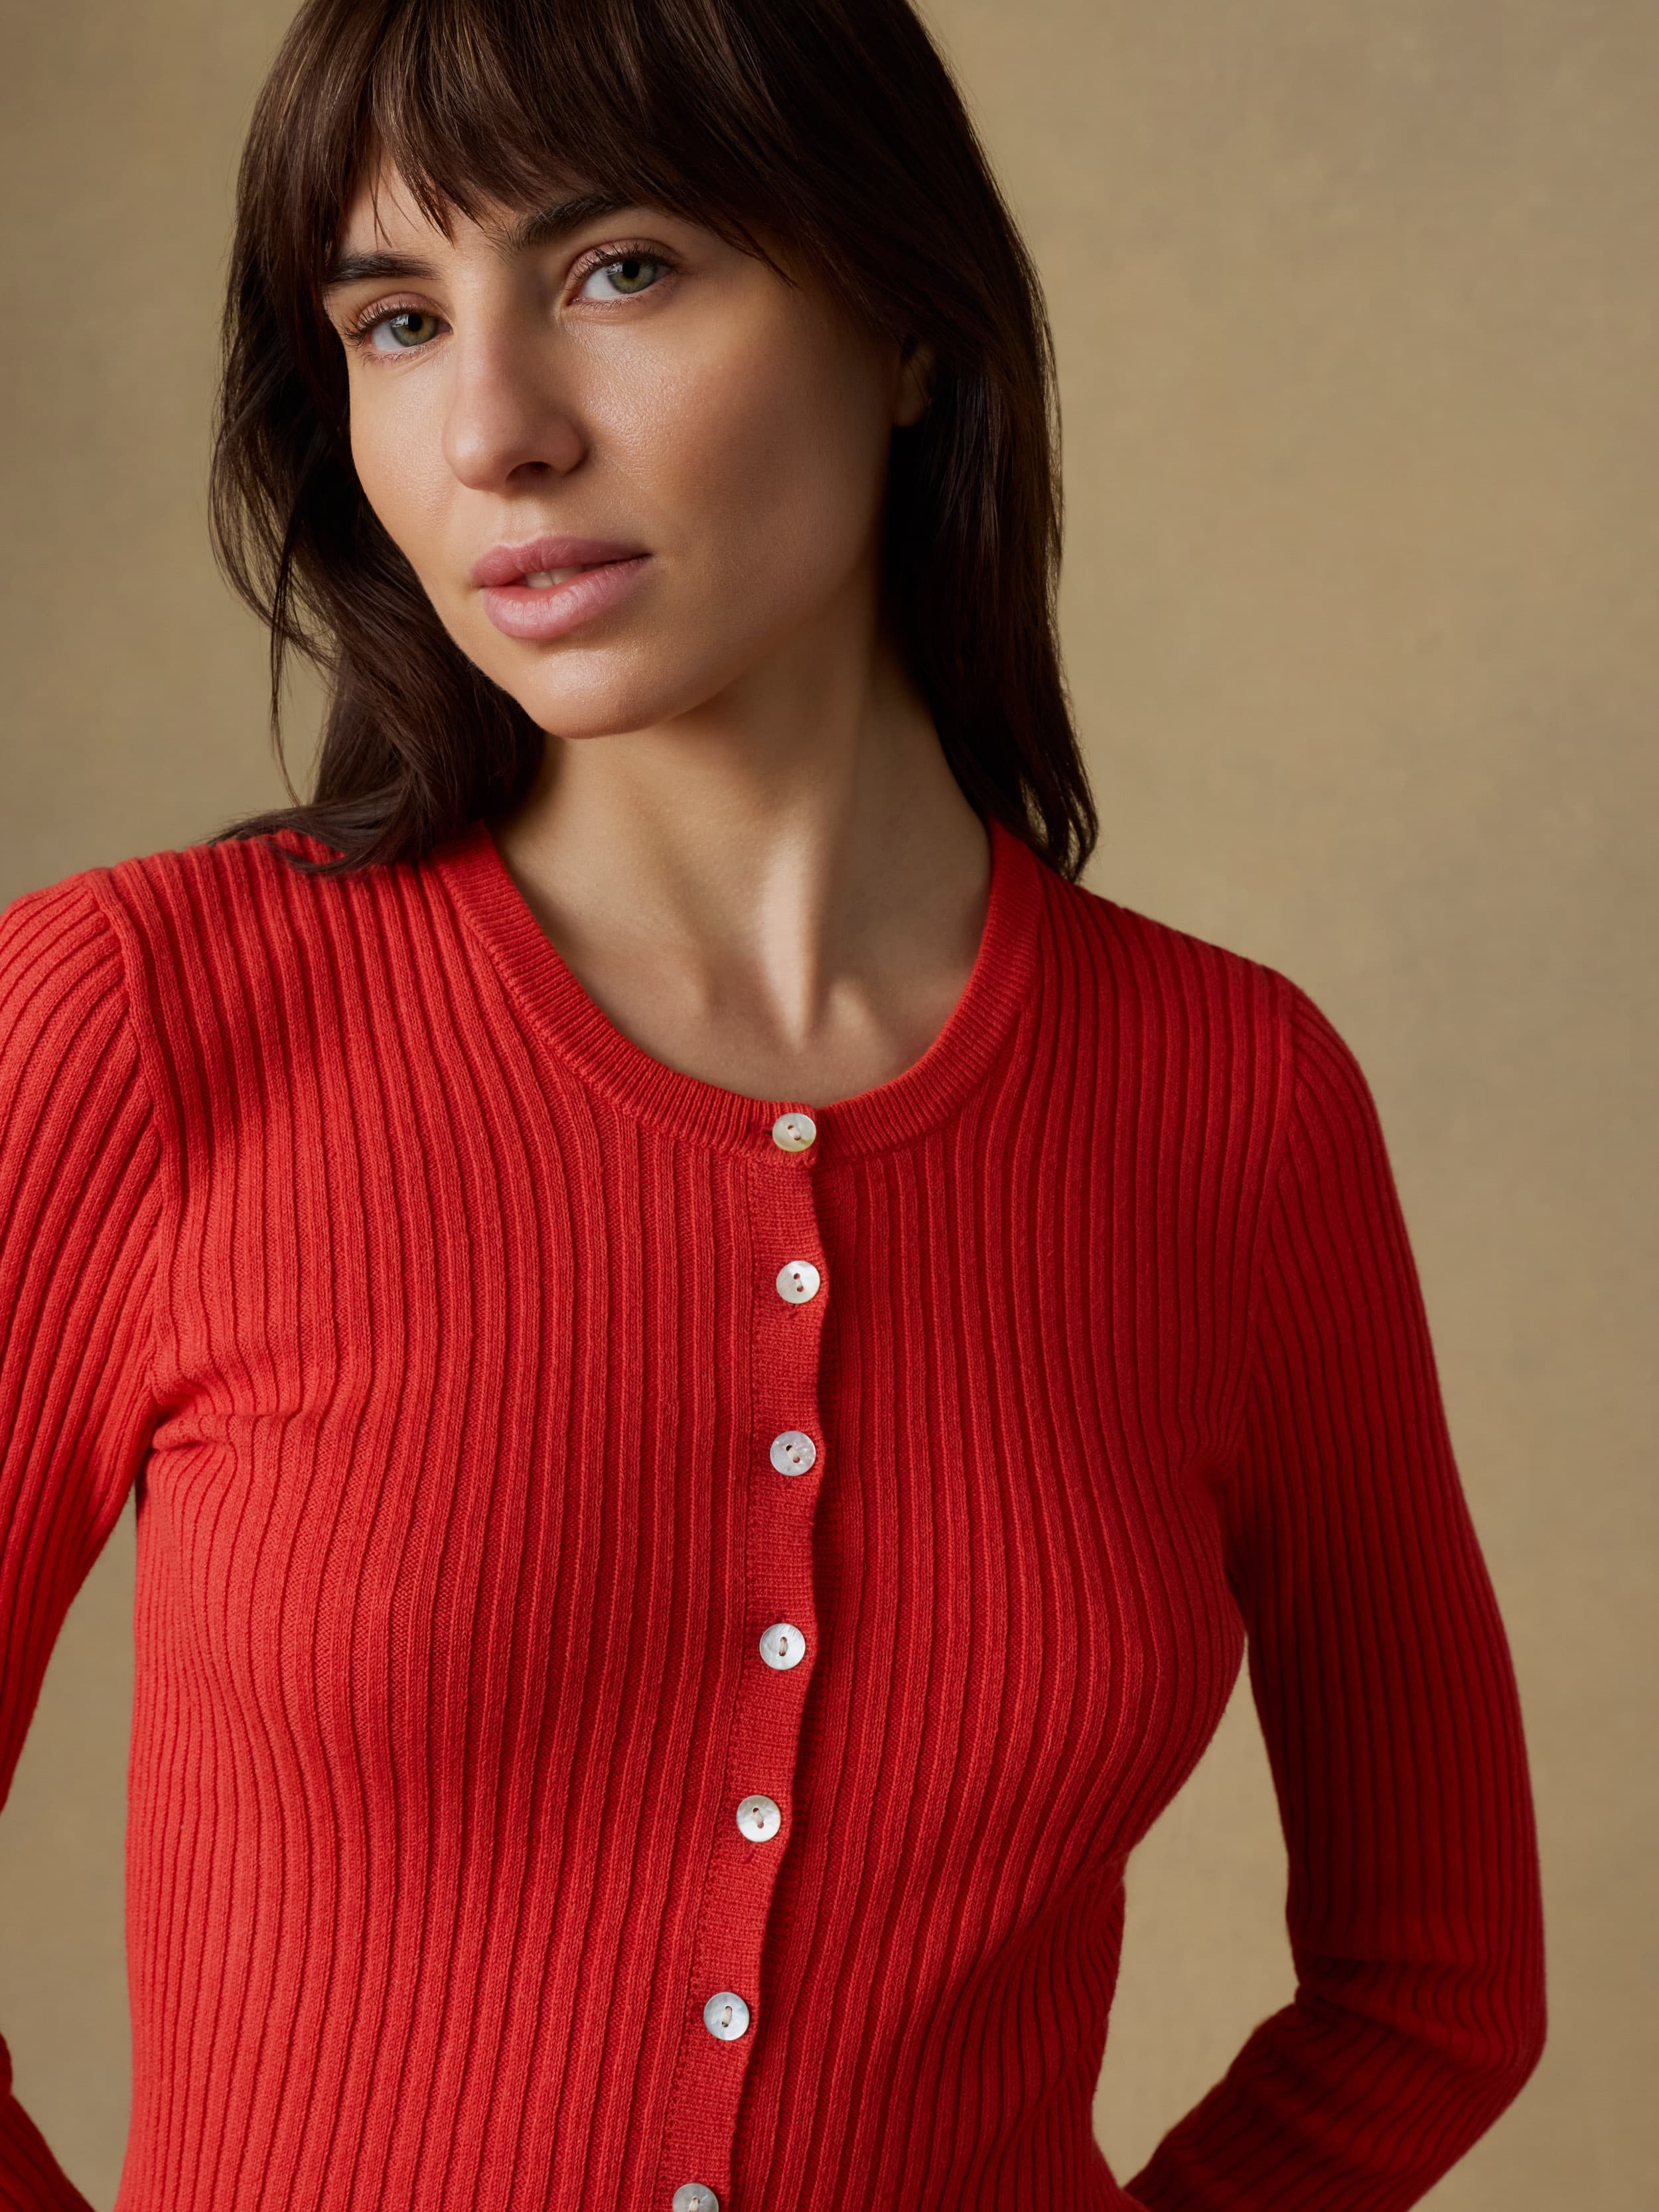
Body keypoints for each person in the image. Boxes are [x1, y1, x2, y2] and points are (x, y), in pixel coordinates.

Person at [0, 1, 1546, 2207]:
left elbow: (1437, 1982)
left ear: (904, 316)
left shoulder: (1233, 1106)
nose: (495, 433)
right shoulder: (138, 1023)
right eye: (398, 319)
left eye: (621, 267)